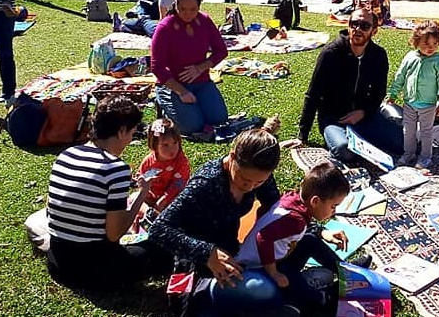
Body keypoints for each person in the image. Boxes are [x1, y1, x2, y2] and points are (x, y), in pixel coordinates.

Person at [150, 128, 285, 313]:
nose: (251, 187)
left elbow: (277, 207)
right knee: (263, 291)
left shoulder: (258, 173)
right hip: (194, 261)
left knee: (274, 284)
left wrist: (315, 229)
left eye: (259, 182)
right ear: (232, 157)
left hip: (232, 252)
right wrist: (208, 254)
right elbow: (159, 229)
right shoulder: (206, 182)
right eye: (245, 179)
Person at [46, 96, 169, 289]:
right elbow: (114, 235)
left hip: (57, 261)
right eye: (131, 133)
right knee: (163, 247)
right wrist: (142, 193)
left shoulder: (66, 154)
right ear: (121, 132)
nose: (130, 140)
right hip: (94, 268)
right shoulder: (115, 168)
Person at [235, 162, 363, 313]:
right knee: (298, 285)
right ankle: (325, 297)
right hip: (257, 270)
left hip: (276, 259)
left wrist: (323, 232)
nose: (334, 211)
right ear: (315, 201)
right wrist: (273, 272)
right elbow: (263, 237)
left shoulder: (294, 199)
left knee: (309, 241)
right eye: (333, 206)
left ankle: (347, 272)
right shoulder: (296, 221)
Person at [288, 8, 402, 162]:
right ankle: (357, 138)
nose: (357, 29)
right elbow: (313, 94)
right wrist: (303, 135)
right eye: (354, 24)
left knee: (400, 143)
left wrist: (363, 112)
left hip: (363, 115)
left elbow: (378, 92)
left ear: (374, 31)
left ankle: (363, 135)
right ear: (348, 26)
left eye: (364, 26)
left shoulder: (378, 55)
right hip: (334, 118)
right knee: (344, 150)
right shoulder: (331, 53)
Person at [151, 0, 228, 136]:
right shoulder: (165, 27)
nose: (187, 13)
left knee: (219, 119)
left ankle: (196, 106)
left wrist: (201, 67)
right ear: (176, 5)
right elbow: (156, 66)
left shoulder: (204, 20)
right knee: (193, 126)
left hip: (202, 81)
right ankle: (164, 102)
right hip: (174, 84)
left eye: (193, 9)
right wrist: (181, 91)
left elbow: (221, 51)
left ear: (199, 7)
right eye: (182, 9)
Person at [387, 20, 439, 168]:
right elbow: (400, 76)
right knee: (408, 130)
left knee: (426, 132)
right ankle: (409, 153)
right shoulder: (410, 57)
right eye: (426, 44)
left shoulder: (438, 61)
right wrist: (393, 93)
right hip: (409, 103)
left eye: (435, 44)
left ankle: (425, 157)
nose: (431, 48)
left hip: (428, 105)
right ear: (416, 42)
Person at [138, 118, 191, 217]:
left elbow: (178, 184)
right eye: (165, 145)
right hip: (153, 198)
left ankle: (154, 217)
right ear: (154, 145)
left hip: (173, 198)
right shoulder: (149, 161)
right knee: (134, 198)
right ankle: (149, 216)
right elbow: (143, 178)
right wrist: (144, 190)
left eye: (175, 143)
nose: (172, 149)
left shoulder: (180, 161)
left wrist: (163, 200)